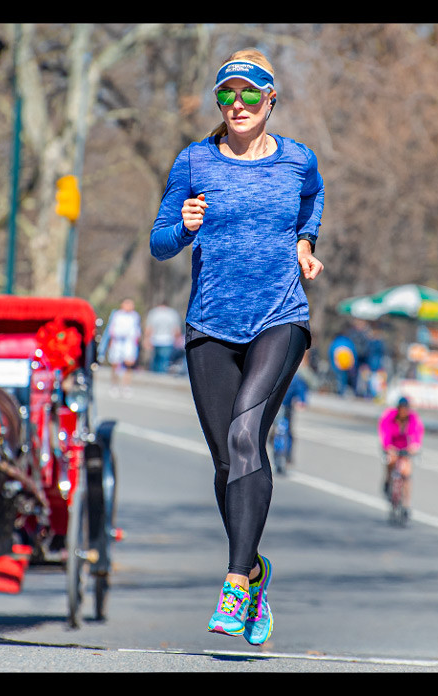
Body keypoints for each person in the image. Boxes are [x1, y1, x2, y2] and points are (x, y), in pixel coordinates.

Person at [149, 47, 324, 646]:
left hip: (280, 318)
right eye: (227, 94)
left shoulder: (298, 160)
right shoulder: (194, 161)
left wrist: (305, 243)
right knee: (227, 460)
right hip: (210, 326)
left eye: (250, 93)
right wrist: (184, 225)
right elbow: (160, 242)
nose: (238, 104)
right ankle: (253, 572)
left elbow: (312, 201)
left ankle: (232, 584)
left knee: (247, 436)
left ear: (270, 99)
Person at [378, 396, 424, 513]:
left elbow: (417, 433)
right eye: (401, 409)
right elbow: (384, 432)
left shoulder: (412, 418)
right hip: (392, 446)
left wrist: (415, 446)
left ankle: (406, 504)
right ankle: (388, 481)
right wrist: (387, 446)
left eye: (406, 409)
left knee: (407, 474)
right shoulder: (390, 416)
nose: (404, 411)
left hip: (405, 448)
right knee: (391, 462)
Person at [99, 298, 143, 396]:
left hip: (129, 343)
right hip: (117, 342)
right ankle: (114, 385)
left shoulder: (135, 316)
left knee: (128, 364)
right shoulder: (116, 315)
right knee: (115, 365)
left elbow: (137, 331)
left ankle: (126, 386)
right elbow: (110, 331)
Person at [143, 301, 183, 374]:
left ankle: (155, 374)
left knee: (156, 359)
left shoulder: (153, 312)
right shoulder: (172, 313)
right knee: (165, 360)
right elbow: (177, 329)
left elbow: (149, 328)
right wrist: (177, 339)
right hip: (168, 340)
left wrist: (147, 339)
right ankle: (162, 375)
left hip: (155, 339)